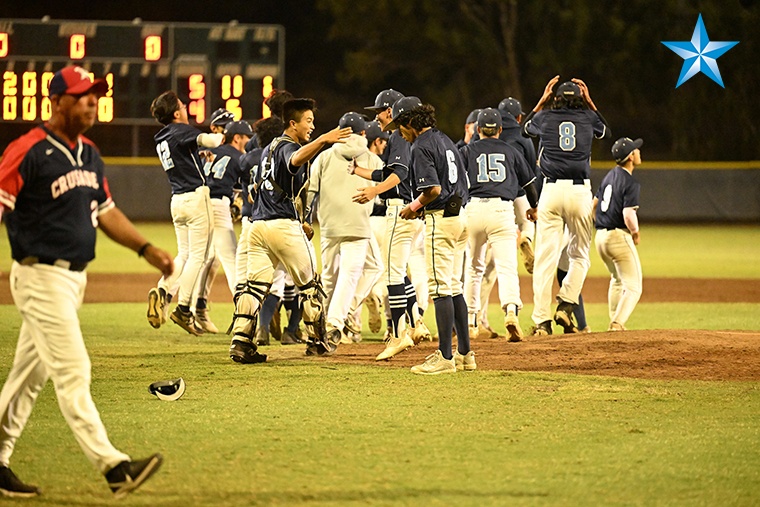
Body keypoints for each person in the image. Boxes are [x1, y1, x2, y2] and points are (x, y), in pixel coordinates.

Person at [0, 65, 171, 498]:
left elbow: (106, 211)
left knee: (28, 376)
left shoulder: (91, 154)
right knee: (74, 370)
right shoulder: (28, 150)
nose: (92, 102)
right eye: (82, 96)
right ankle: (115, 468)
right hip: (39, 276)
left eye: (95, 95)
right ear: (57, 101)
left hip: (73, 281)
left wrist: (146, 249)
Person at [228, 98, 352, 362]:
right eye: (308, 121)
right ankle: (318, 342)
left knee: (254, 287)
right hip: (281, 225)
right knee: (310, 286)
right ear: (292, 123)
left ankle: (240, 343)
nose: (313, 125)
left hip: (257, 226)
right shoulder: (287, 146)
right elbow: (294, 159)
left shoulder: (267, 149)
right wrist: (323, 141)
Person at [522, 76, 610, 335]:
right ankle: (567, 304)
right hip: (579, 191)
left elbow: (526, 128)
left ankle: (541, 321)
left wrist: (541, 100)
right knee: (580, 255)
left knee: (545, 260)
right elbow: (605, 130)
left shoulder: (545, 118)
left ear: (556, 99)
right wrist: (591, 102)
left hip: (550, 191)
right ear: (580, 100)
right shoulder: (587, 118)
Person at [393, 98, 470, 375]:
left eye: (401, 125)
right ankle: (465, 354)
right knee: (454, 285)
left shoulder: (421, 145)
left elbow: (433, 189)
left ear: (411, 122)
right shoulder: (446, 140)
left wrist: (413, 208)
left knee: (440, 288)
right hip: (461, 216)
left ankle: (446, 358)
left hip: (441, 218)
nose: (399, 131)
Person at [353, 89, 431, 362]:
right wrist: (359, 172)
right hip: (415, 211)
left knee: (392, 276)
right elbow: (388, 172)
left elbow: (398, 175)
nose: (376, 116)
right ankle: (417, 322)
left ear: (390, 111)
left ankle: (399, 335)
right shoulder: (411, 138)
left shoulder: (398, 137)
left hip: (400, 211)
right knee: (400, 272)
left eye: (378, 111)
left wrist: (374, 192)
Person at [146, 90, 224, 335]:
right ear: (176, 112)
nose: (186, 108)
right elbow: (211, 142)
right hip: (196, 197)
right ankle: (184, 309)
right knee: (200, 257)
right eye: (182, 105)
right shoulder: (180, 129)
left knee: (187, 254)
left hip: (177, 200)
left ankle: (164, 289)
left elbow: (186, 153)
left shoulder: (162, 137)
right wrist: (222, 134)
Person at [460, 108, 539, 343]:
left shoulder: (466, 151)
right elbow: (530, 184)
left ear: (477, 129)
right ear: (500, 129)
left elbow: (454, 181)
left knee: (473, 268)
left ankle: (471, 320)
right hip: (501, 210)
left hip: (473, 210)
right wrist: (533, 207)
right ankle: (511, 312)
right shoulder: (511, 151)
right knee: (506, 267)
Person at [306, 112, 383, 344]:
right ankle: (337, 319)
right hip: (358, 226)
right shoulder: (372, 159)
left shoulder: (324, 157)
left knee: (329, 277)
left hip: (329, 226)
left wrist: (306, 219)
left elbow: (310, 191)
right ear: (363, 133)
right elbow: (381, 195)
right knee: (356, 274)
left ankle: (322, 325)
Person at [193, 119, 253, 333]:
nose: (248, 141)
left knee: (198, 257)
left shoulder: (208, 152)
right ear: (237, 137)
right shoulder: (240, 157)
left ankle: (188, 306)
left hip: (198, 202)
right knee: (232, 260)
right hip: (218, 205)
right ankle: (244, 314)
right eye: (246, 137)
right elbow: (247, 188)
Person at [594, 137, 644, 331]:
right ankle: (617, 323)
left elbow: (594, 205)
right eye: (636, 150)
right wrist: (635, 232)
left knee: (616, 279)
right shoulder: (630, 182)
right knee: (633, 287)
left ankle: (614, 322)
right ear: (631, 156)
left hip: (600, 237)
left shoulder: (609, 176)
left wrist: (599, 224)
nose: (639, 152)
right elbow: (628, 213)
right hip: (617, 236)